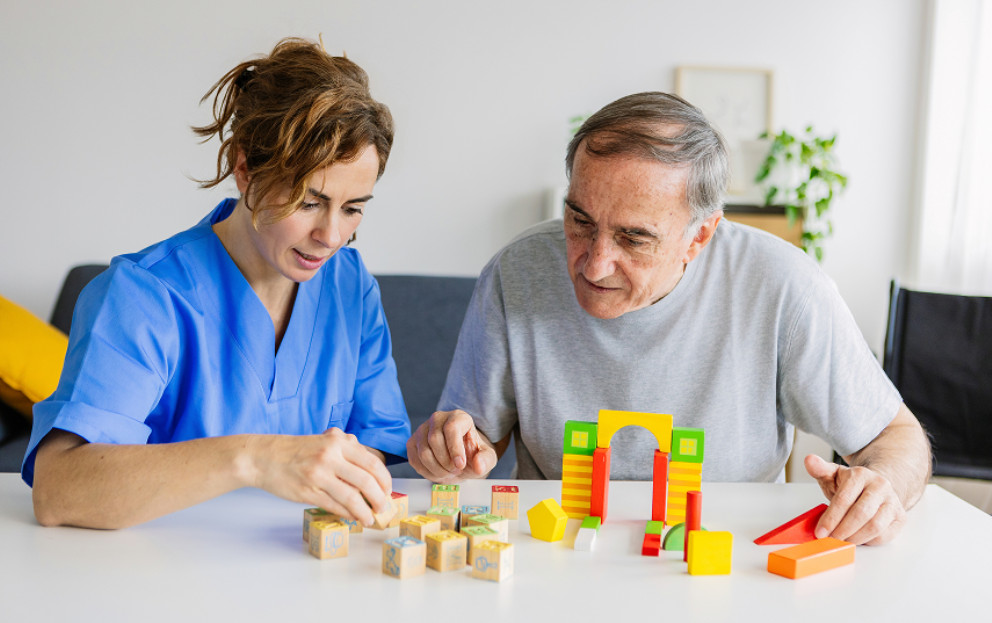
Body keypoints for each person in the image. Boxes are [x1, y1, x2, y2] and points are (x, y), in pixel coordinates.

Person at [407, 92, 931, 545]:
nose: (594, 264)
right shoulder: (516, 271)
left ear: (699, 236)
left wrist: (881, 486)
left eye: (633, 238)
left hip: (725, 555)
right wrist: (453, 448)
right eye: (580, 220)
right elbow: (476, 438)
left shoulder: (785, 286)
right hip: (558, 547)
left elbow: (896, 439)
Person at [24, 37, 410, 529]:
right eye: (309, 202)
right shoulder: (142, 295)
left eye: (353, 209)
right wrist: (254, 459)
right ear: (245, 169)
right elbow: (58, 490)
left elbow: (375, 442)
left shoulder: (351, 286)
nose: (331, 237)